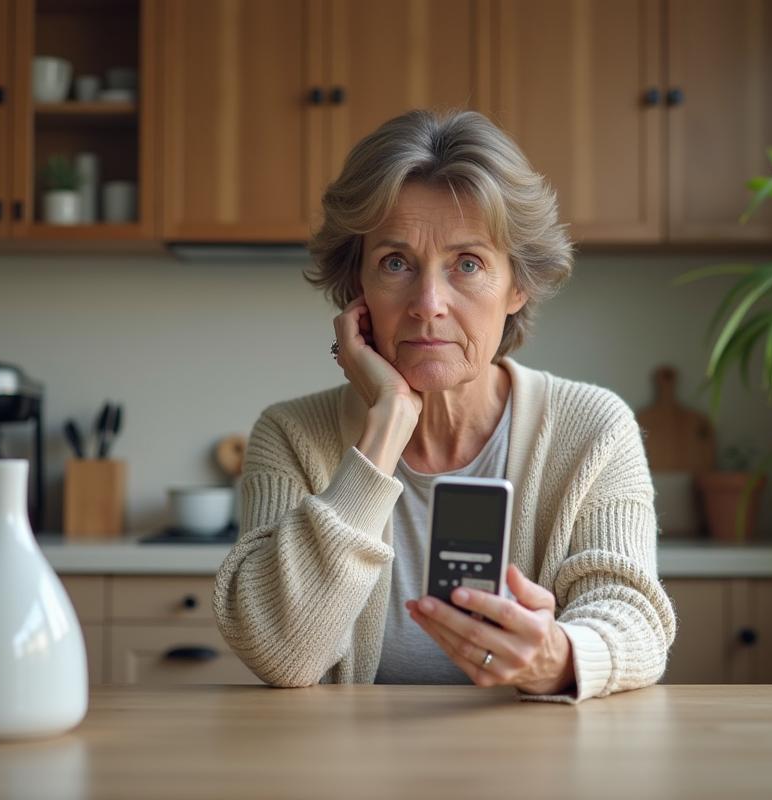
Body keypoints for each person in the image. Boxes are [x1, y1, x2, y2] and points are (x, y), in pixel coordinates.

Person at [213, 108, 675, 702]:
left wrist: (554, 657)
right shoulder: (292, 434)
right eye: (396, 263)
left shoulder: (593, 430)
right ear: (358, 288)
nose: (428, 302)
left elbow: (632, 618)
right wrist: (385, 430)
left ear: (517, 285)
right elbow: (278, 651)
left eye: (468, 263)